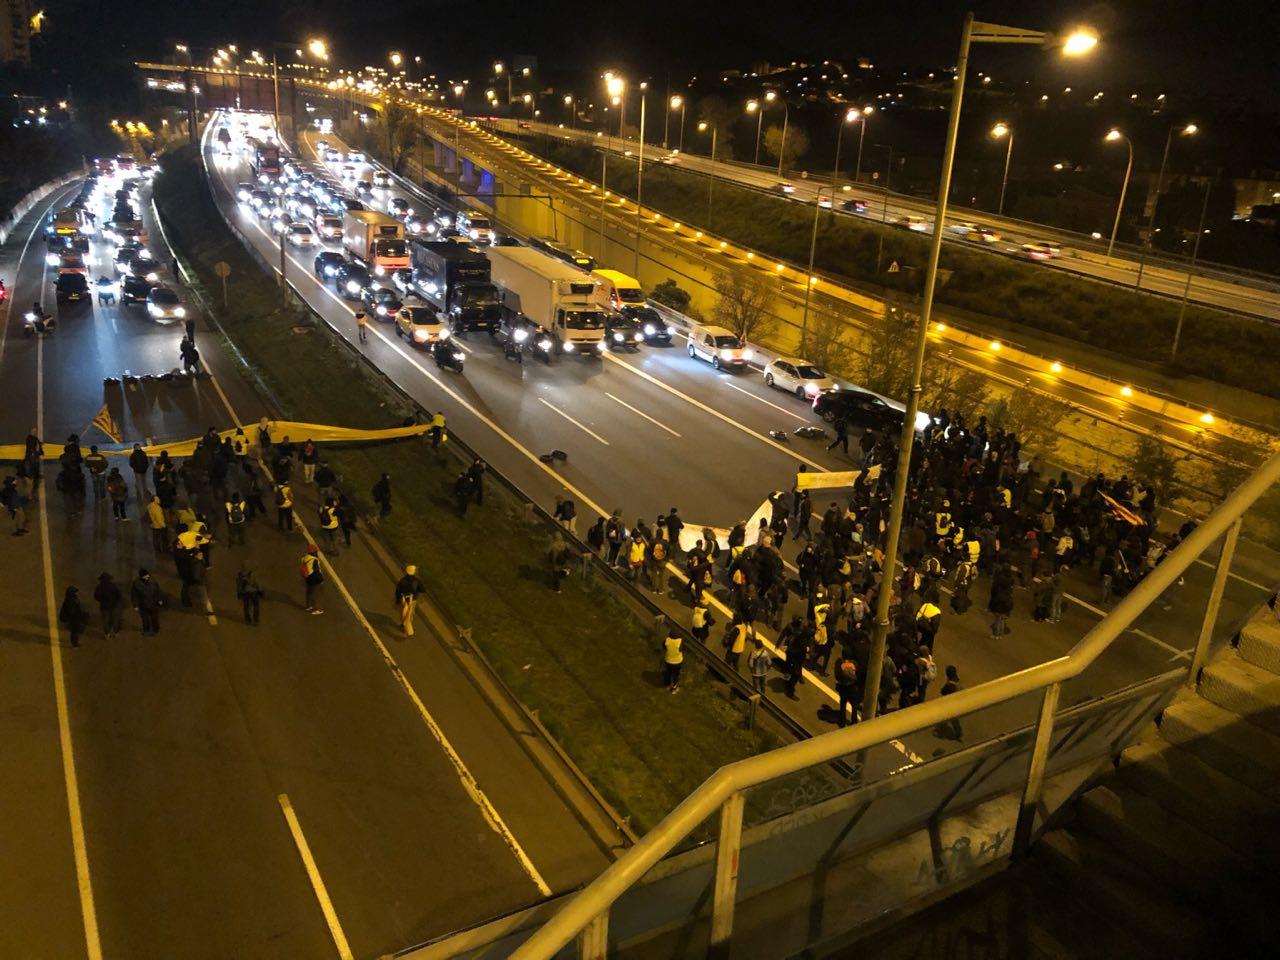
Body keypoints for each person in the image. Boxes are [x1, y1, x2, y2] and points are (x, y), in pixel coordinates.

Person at [934, 666, 963, 740]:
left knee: (943, 718)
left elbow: (943, 692)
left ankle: (940, 732)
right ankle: (958, 732)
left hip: (949, 704)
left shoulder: (950, 685)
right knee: (954, 719)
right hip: (956, 703)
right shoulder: (957, 680)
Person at [395, 564, 425, 636]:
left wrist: (398, 599)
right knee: (410, 614)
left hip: (404, 598)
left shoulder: (403, 580)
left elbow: (398, 590)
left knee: (403, 611)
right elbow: (423, 589)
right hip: (412, 599)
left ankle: (402, 624)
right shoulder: (417, 581)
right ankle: (407, 630)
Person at [131, 568, 162, 635]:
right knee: (145, 619)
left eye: (147, 575)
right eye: (146, 575)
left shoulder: (152, 581)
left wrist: (159, 599)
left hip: (152, 603)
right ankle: (146, 630)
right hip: (143, 604)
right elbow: (134, 595)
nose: (147, 577)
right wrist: (135, 605)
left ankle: (155, 630)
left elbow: (157, 591)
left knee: (154, 618)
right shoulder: (136, 583)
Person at [93, 572, 124, 638]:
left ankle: (107, 634)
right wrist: (116, 601)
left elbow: (96, 597)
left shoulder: (99, 587)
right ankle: (116, 632)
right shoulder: (113, 586)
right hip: (113, 606)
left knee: (105, 621)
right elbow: (119, 595)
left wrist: (101, 600)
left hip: (104, 607)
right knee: (115, 620)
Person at [834, 654, 859, 727]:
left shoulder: (839, 662)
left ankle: (842, 721)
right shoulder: (854, 663)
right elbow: (859, 674)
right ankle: (854, 721)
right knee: (854, 705)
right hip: (852, 687)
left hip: (843, 686)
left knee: (843, 703)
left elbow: (837, 675)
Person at [300, 544, 324, 614]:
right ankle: (315, 609)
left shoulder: (305, 558)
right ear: (314, 552)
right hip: (314, 578)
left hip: (307, 578)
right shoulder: (314, 560)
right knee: (315, 593)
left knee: (309, 592)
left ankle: (308, 606)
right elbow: (316, 571)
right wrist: (321, 580)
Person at [662, 628, 683, 694]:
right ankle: (674, 688)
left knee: (668, 672)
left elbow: (663, 646)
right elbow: (682, 649)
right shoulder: (680, 641)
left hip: (668, 660)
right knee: (676, 675)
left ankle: (667, 685)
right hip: (677, 662)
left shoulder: (667, 640)